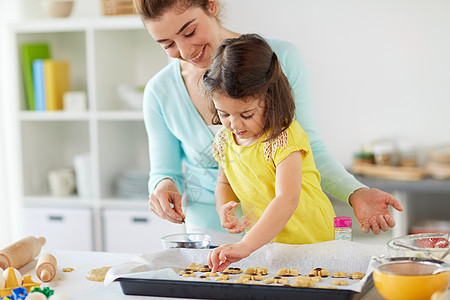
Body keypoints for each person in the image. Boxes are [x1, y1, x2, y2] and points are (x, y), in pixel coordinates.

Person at [135, 0, 403, 246]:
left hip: (288, 230)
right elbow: (163, 171)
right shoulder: (159, 91)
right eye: (167, 44)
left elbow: (307, 147)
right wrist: (164, 186)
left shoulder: (279, 59)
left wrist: (355, 192)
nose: (184, 50)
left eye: (189, 32)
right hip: (210, 232)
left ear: (211, 6)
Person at [204, 33, 337, 271]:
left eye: (246, 114)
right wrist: (224, 208)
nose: (235, 124)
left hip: (310, 241)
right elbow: (224, 185)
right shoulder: (225, 140)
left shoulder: (284, 137)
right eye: (224, 114)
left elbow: (287, 199)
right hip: (266, 244)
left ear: (271, 99)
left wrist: (245, 245)